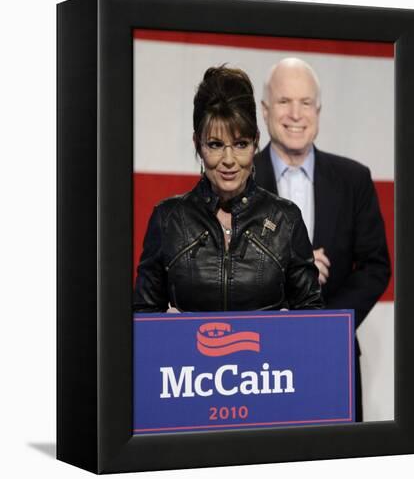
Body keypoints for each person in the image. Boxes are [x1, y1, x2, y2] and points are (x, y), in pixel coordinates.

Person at [254, 57, 391, 419]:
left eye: (306, 102)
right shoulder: (239, 181)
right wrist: (289, 266)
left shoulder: (354, 179)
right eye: (284, 101)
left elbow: (376, 267)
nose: (296, 113)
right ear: (265, 110)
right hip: (255, 362)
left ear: (319, 110)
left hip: (334, 357)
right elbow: (218, 267)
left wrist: (327, 326)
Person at [134, 65, 323, 313]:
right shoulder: (168, 219)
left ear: (255, 142)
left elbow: (312, 321)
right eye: (215, 144)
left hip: (266, 354)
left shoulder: (285, 220)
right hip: (188, 354)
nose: (229, 159)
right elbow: (142, 322)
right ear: (197, 144)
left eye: (240, 144)